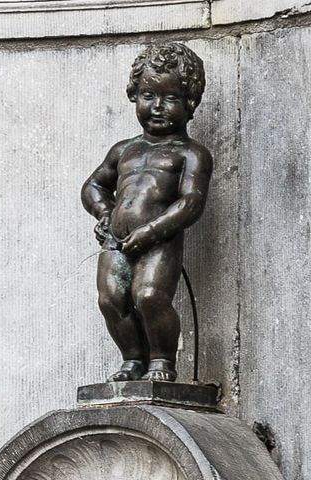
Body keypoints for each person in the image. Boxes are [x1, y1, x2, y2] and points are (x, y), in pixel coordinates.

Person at [81, 43, 213, 382]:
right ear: (134, 95)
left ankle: (162, 361)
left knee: (150, 296)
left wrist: (152, 231)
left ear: (190, 103)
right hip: (117, 240)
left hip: (159, 241)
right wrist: (104, 213)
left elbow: (191, 202)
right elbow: (93, 186)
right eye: (148, 95)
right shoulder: (125, 150)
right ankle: (132, 360)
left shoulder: (190, 153)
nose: (157, 107)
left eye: (170, 98)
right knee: (111, 299)